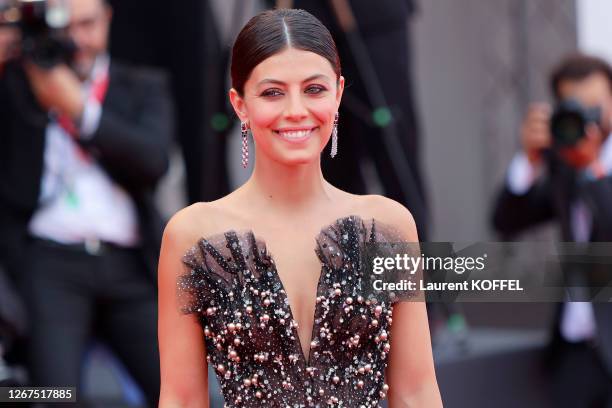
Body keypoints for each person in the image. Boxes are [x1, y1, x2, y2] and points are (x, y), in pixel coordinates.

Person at [158, 9, 441, 407]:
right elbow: (182, 399)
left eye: (314, 89)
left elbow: (416, 393)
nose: (296, 110)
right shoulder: (192, 235)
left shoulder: (389, 226)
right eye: (273, 92)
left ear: (338, 94)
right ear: (239, 105)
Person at [0, 0, 172, 405]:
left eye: (87, 24)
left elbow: (153, 161)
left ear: (108, 18)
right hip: (49, 263)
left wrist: (79, 110)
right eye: (66, 27)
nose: (77, 39)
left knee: (180, 390)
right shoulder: (16, 83)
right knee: (51, 395)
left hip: (130, 263)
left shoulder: (142, 84)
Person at [491, 54, 612, 407]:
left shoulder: (583, 165)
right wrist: (529, 160)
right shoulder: (564, 167)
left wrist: (591, 168)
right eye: (575, 105)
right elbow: (506, 221)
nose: (587, 115)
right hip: (573, 349)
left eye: (597, 103)